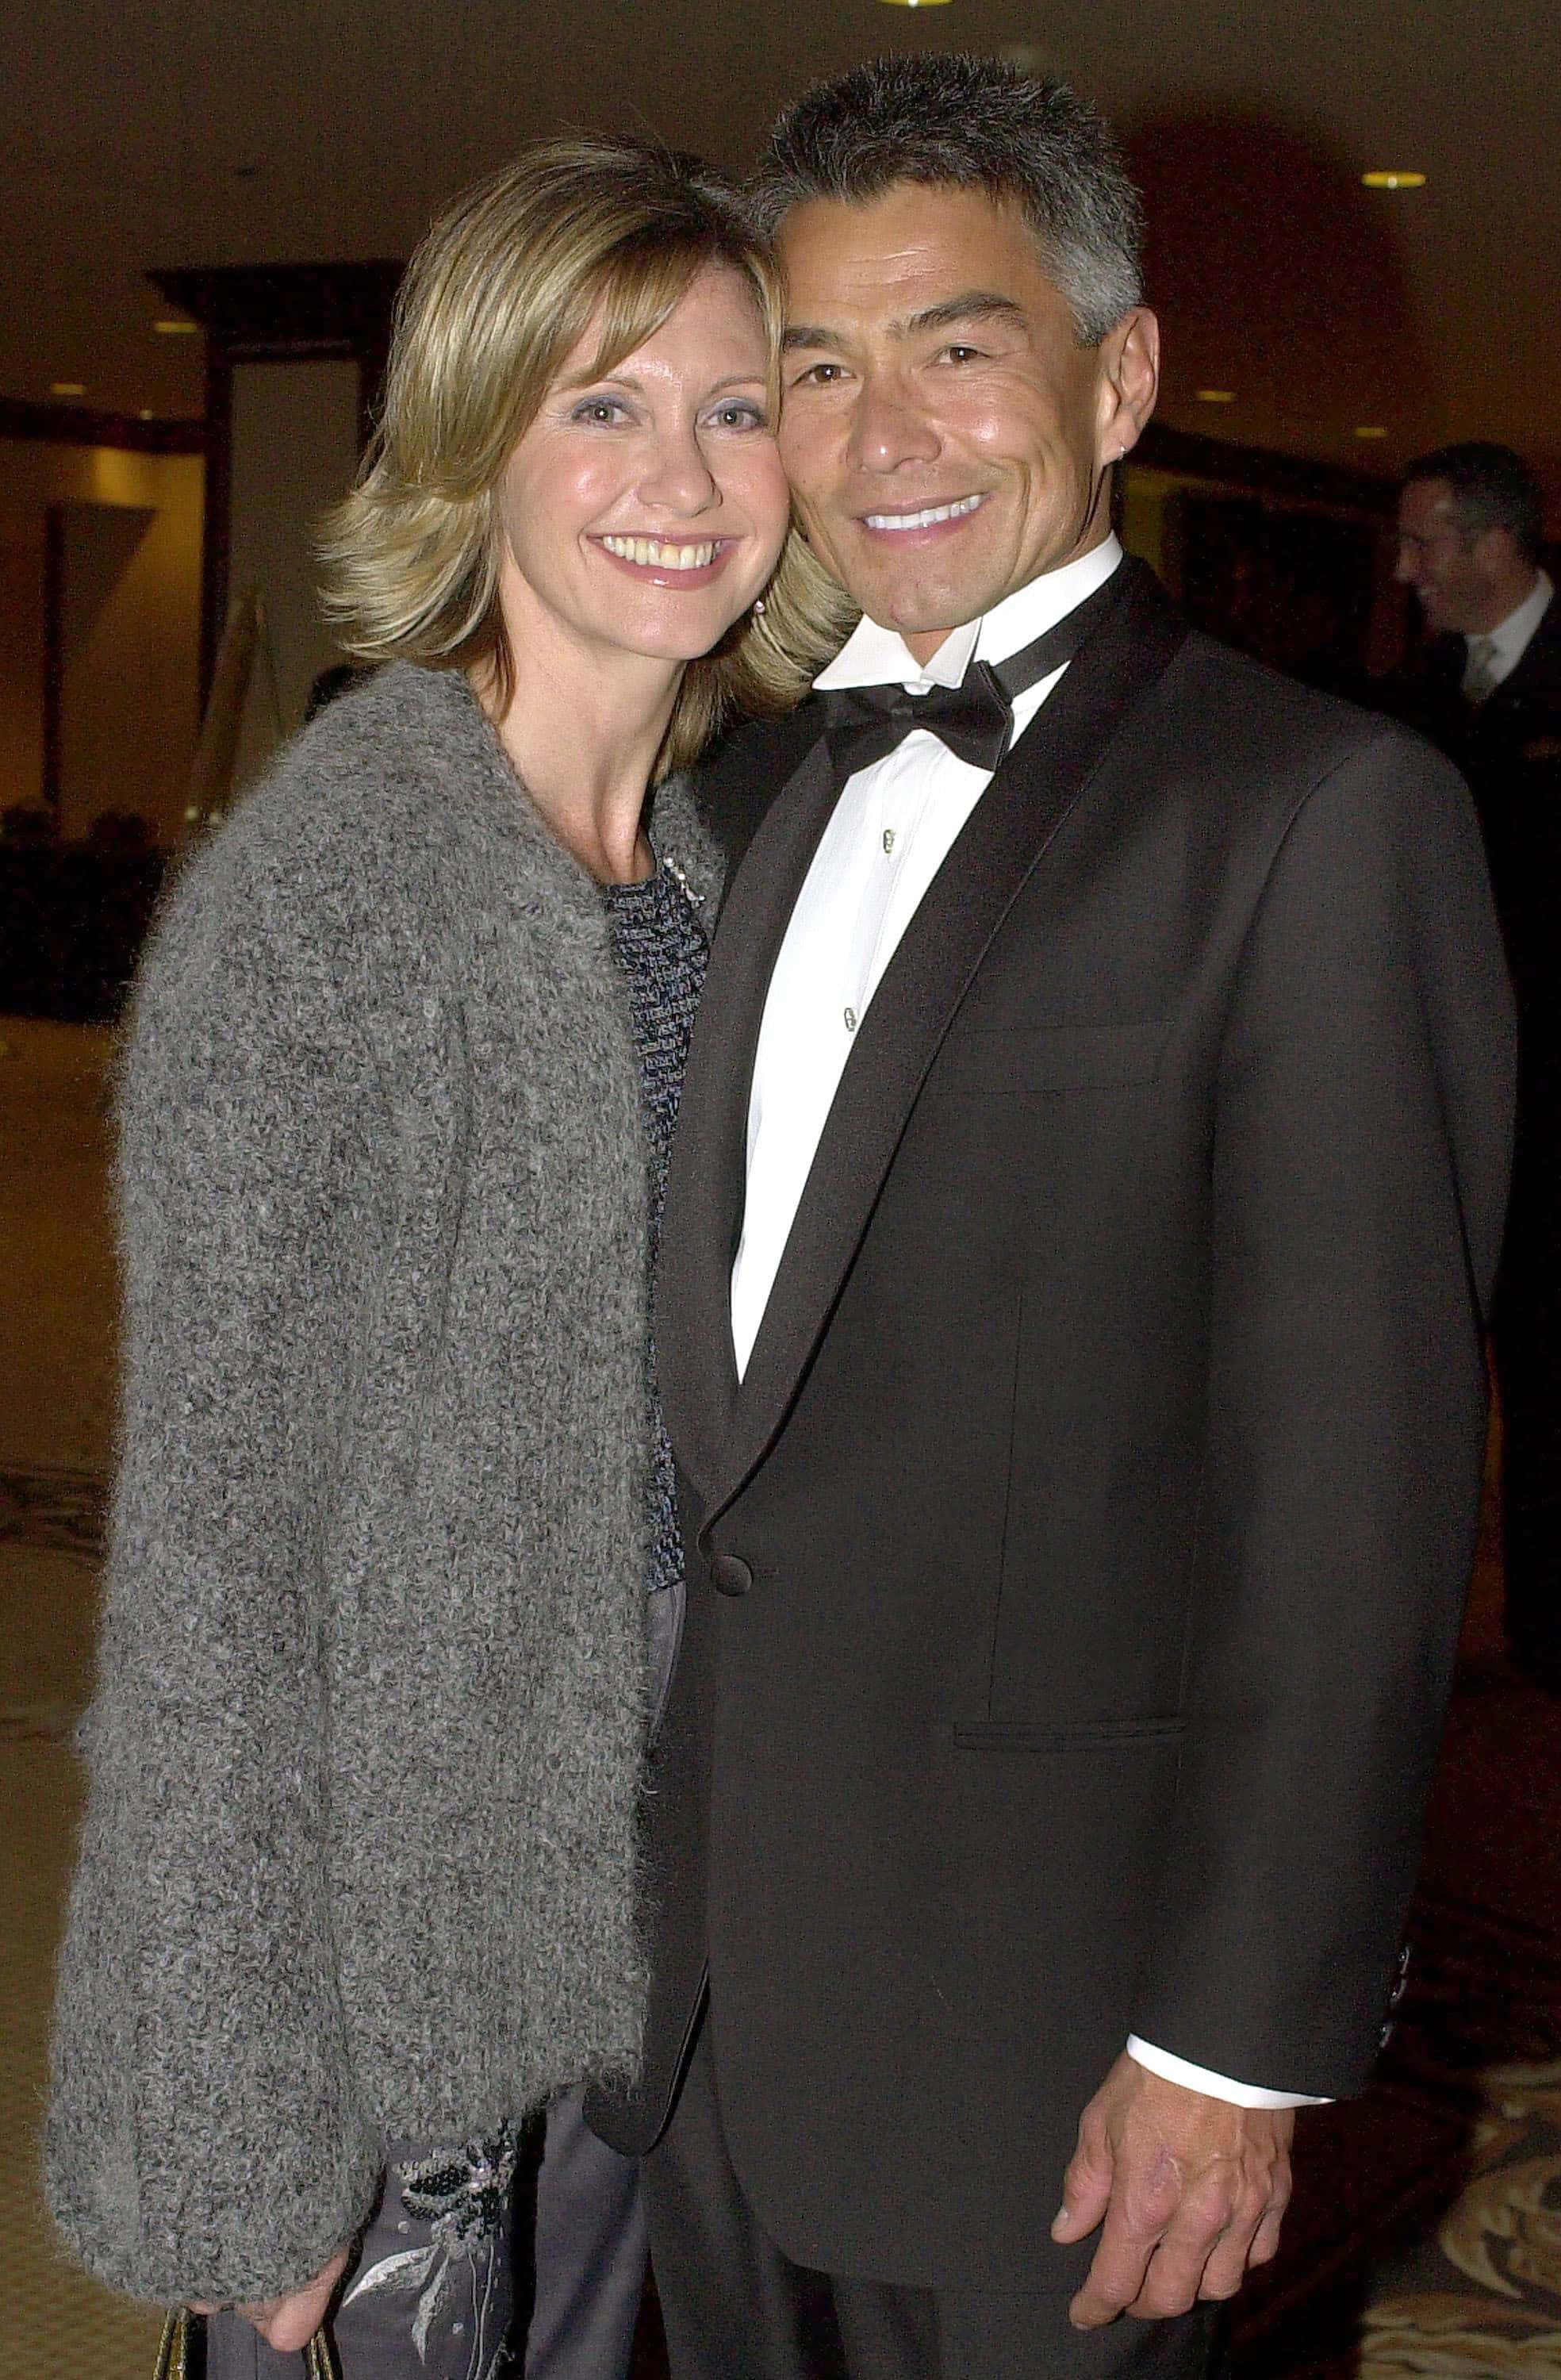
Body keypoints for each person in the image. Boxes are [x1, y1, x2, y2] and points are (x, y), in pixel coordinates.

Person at [584, 54, 1516, 2380]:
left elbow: (1355, 1504)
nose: (883, 434)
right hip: (699, 1995)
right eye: (816, 365)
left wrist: (1238, 2041)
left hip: (1054, 2052)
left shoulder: (1319, 818)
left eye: (958, 345)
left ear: (1118, 378)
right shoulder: (745, 786)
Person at [44, 135, 838, 2380]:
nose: (679, 474)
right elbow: (218, 1574)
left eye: (734, 404)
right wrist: (244, 2141)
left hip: (636, 1900)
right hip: (403, 1961)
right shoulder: (334, 906)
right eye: (601, 403)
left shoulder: (705, 859)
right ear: (478, 443)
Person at [1394, 443, 1561, 1692]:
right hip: (1474, 1090)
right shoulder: (1431, 690)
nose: (1408, 572)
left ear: (1497, 547)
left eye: (1428, 545)